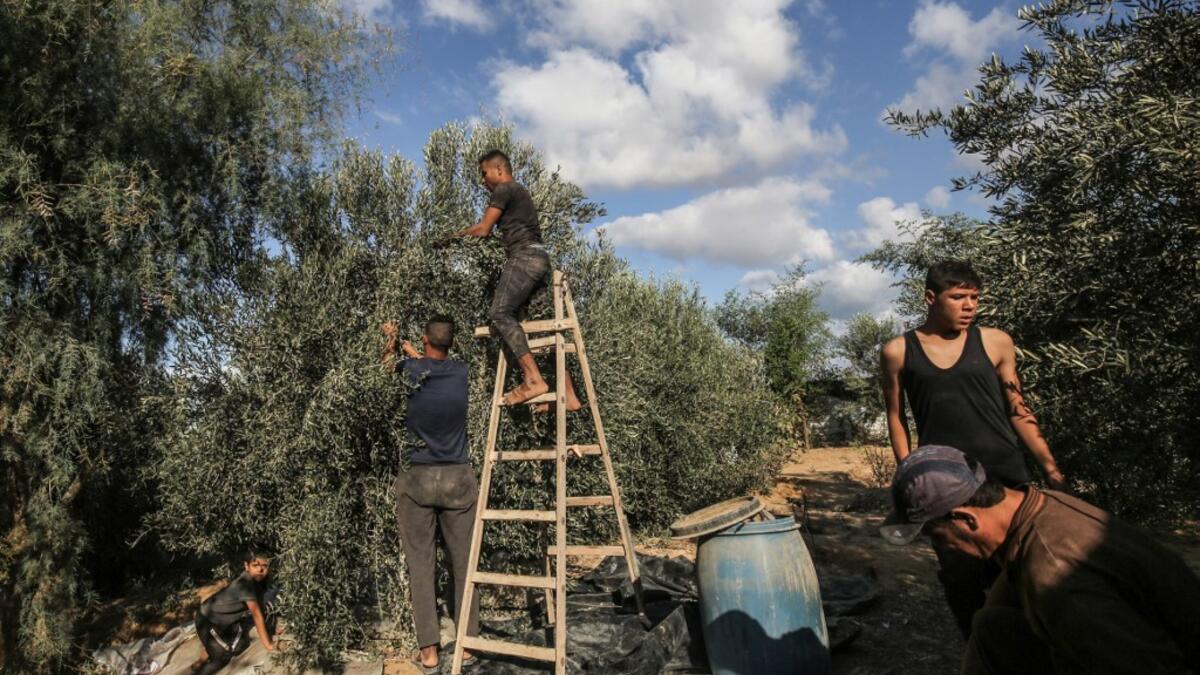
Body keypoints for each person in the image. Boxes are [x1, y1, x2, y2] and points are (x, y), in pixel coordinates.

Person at [881, 445, 1200, 675]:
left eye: (938, 537)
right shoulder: (1039, 505)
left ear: (966, 519)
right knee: (991, 628)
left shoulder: (1054, 574)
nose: (945, 549)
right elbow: (997, 604)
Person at [879, 260, 1066, 635]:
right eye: (958, 297)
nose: (969, 306)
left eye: (975, 298)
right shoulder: (899, 351)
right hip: (947, 488)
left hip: (1007, 477)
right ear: (931, 298)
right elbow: (896, 417)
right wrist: (910, 474)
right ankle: (980, 652)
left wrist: (1051, 470)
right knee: (962, 581)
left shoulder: (996, 341)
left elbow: (1019, 409)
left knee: (1023, 573)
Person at [382, 316, 479, 673]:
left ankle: (429, 653)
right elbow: (433, 366)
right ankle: (467, 645)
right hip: (457, 477)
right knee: (464, 563)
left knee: (421, 566)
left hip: (418, 478)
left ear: (424, 339)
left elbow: (385, 370)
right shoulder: (461, 373)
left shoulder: (410, 370)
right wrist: (413, 353)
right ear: (451, 344)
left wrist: (392, 342)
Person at [455, 149, 580, 410]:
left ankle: (533, 379)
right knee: (545, 327)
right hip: (540, 260)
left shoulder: (505, 188)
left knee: (500, 313)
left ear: (499, 170)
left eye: (484, 173)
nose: (482, 180)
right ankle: (568, 393)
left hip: (523, 257)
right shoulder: (519, 192)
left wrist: (452, 238)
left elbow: (484, 229)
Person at [191, 550, 281, 674]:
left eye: (264, 566)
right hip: (208, 621)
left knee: (224, 641)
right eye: (255, 565)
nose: (260, 570)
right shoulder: (246, 584)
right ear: (246, 566)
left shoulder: (258, 582)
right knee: (222, 657)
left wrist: (271, 628)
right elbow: (257, 615)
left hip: (221, 620)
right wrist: (269, 644)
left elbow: (260, 607)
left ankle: (201, 660)